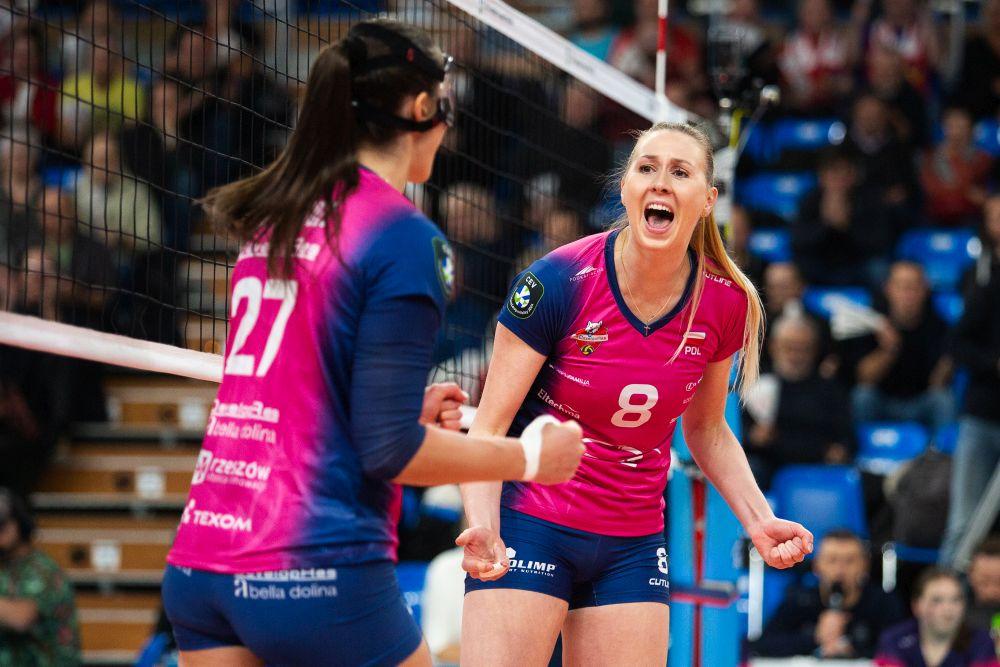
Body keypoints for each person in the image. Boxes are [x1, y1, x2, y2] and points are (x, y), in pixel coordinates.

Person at [160, 20, 584, 667]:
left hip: (202, 563)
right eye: (445, 108)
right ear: (422, 108)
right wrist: (528, 458)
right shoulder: (401, 233)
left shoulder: (275, 217)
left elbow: (294, 388)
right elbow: (390, 449)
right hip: (311, 566)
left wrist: (399, 408)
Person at [459, 122, 814, 666]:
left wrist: (758, 519)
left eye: (680, 172)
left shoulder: (725, 302)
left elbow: (707, 429)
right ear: (625, 187)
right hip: (532, 521)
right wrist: (483, 526)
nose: (661, 182)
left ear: (708, 201)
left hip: (631, 540)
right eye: (647, 168)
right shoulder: (558, 280)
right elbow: (488, 427)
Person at [940, 196, 1000, 566]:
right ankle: (948, 590)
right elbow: (957, 342)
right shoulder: (990, 284)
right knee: (964, 521)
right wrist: (994, 363)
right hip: (984, 414)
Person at [750, 529, 904, 659]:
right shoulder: (800, 600)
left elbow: (902, 647)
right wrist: (814, 638)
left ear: (864, 565)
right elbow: (763, 646)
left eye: (850, 561)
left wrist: (854, 650)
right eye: (832, 560)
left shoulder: (882, 602)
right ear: (817, 565)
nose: (840, 570)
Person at [743, 315, 853, 488]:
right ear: (773, 346)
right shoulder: (755, 386)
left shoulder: (830, 389)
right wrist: (753, 437)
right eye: (788, 347)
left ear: (814, 350)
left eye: (803, 348)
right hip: (769, 466)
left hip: (819, 467)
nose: (795, 355)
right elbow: (737, 436)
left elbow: (847, 436)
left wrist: (841, 449)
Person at [848, 261, 954, 430]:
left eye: (914, 287)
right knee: (862, 396)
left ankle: (941, 446)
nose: (908, 295)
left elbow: (937, 383)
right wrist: (889, 350)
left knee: (943, 400)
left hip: (920, 401)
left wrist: (948, 363)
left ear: (925, 290)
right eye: (902, 287)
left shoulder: (939, 327)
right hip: (883, 400)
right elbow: (864, 378)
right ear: (888, 289)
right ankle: (857, 445)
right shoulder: (871, 323)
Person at [0, 488, 81, 666]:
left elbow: (20, 618)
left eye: (2, 525)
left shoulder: (43, 569)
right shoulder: (4, 569)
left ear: (18, 523)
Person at [875, 568, 999, 666]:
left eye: (956, 599)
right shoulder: (894, 639)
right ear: (916, 605)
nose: (948, 609)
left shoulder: (982, 642)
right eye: (937, 600)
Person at [967, 537, 1000, 632]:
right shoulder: (955, 614)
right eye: (984, 582)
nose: (992, 591)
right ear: (970, 575)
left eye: (999, 583)